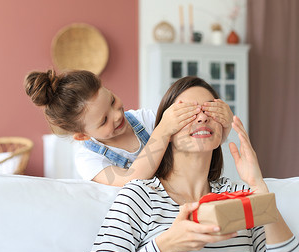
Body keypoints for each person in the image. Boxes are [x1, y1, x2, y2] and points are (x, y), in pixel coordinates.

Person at [83, 76, 299, 252]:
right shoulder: (139, 196)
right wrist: (168, 244)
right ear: (166, 132)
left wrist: (259, 188)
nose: (201, 118)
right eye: (187, 112)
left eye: (210, 110)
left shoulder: (243, 196)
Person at [24, 69, 233, 186]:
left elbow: (190, 143)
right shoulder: (88, 160)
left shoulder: (144, 119)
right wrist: (162, 131)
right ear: (82, 136)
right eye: (104, 120)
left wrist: (222, 127)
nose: (117, 115)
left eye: (113, 101)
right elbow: (132, 179)